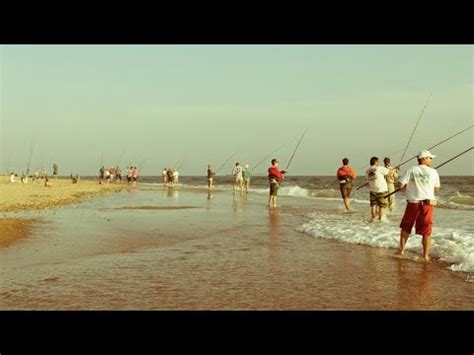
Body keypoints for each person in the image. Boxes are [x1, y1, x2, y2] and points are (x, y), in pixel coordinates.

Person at [396, 150, 440, 262]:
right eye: (430, 158)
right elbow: (437, 189)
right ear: (424, 158)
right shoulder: (433, 172)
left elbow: (400, 186)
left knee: (406, 226)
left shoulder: (410, 170)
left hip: (413, 203)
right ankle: (425, 256)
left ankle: (401, 250)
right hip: (427, 204)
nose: (431, 160)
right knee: (427, 230)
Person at [365, 156, 389, 221]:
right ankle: (381, 219)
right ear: (375, 162)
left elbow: (368, 179)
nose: (378, 163)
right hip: (381, 190)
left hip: (373, 190)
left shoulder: (367, 171)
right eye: (378, 161)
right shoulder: (379, 168)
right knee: (382, 205)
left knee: (373, 205)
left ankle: (373, 218)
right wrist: (387, 167)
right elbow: (387, 172)